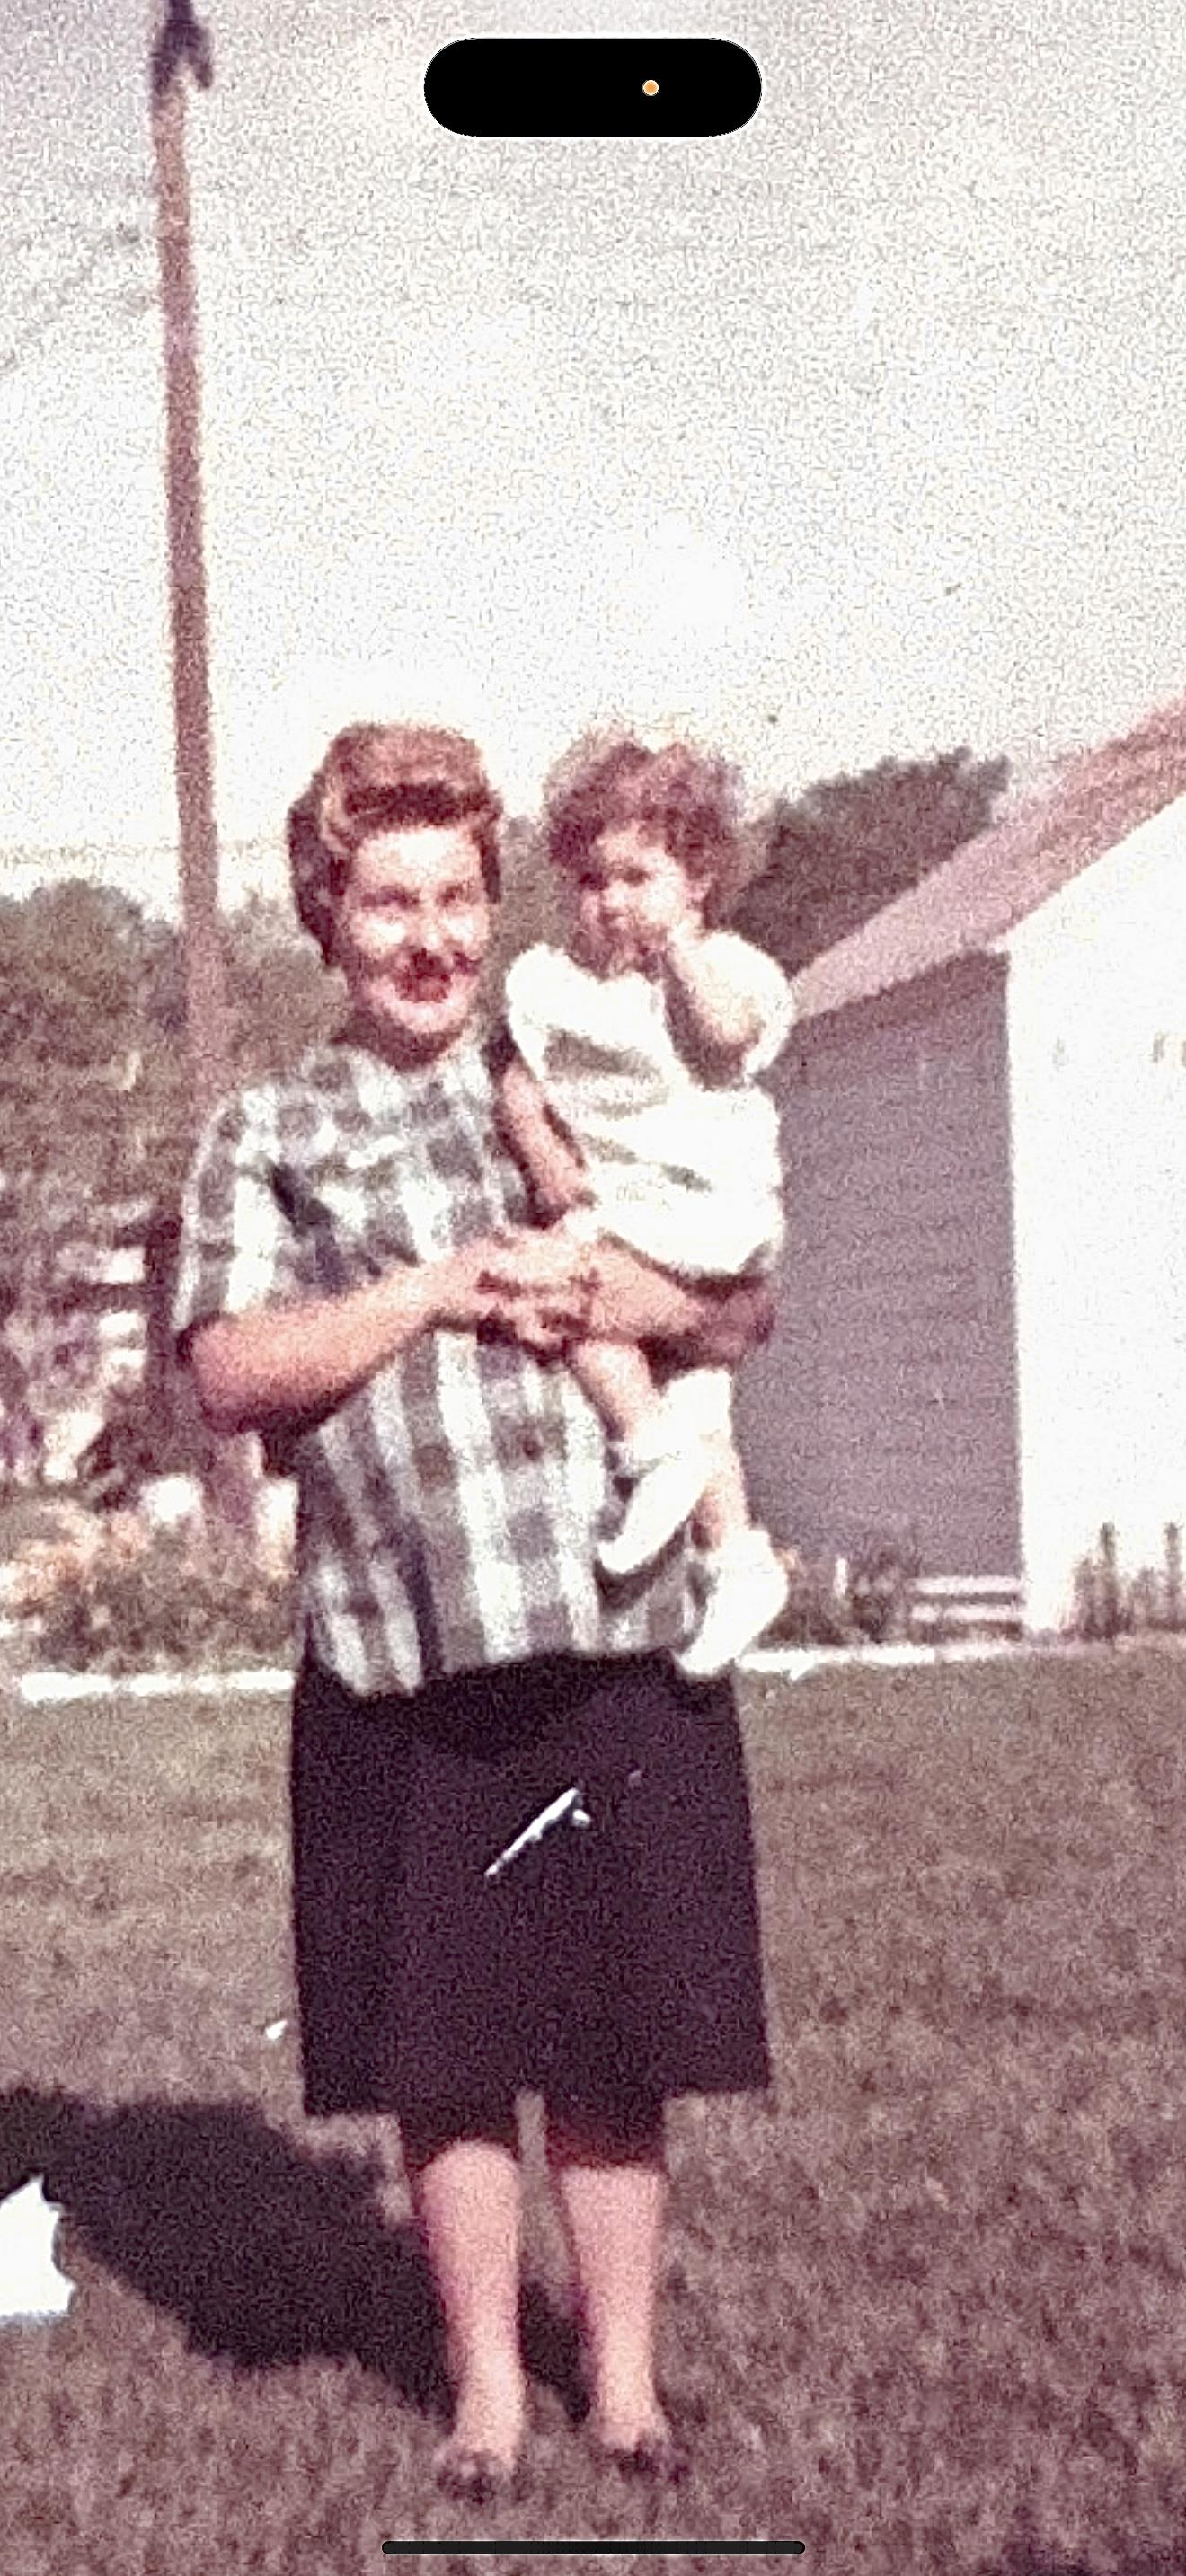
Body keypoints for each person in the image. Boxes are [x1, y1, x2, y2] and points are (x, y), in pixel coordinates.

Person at [173, 721, 774, 2503]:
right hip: (399, 1650)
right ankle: (490, 2402)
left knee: (615, 2035)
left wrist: (589, 1276)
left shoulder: (577, 1065)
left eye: (457, 897)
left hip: (614, 1627)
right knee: (446, 2053)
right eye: (388, 903)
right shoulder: (266, 1131)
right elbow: (228, 1371)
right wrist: (435, 1290)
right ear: (327, 918)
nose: (429, 937)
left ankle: (631, 2395)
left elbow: (737, 1307)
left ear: (496, 904)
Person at [496, 737, 793, 1679]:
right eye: (591, 879)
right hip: (625, 1208)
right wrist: (544, 1155)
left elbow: (730, 1036)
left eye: (639, 876)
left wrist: (683, 956)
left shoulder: (725, 970)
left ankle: (646, 1447)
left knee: (566, 1291)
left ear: (697, 878)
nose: (612, 901)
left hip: (704, 1208)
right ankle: (738, 1558)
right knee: (702, 1396)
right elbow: (516, 1079)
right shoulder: (554, 983)